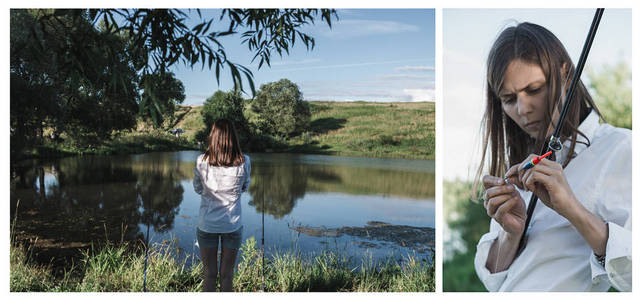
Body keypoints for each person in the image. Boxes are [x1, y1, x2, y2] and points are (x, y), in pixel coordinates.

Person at [473, 22, 631, 292]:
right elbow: (496, 282)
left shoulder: (621, 147)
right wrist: (512, 234)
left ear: (566, 75)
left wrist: (571, 207)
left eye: (534, 90)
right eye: (509, 99)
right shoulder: (523, 167)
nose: (523, 109)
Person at [193, 119, 251, 292]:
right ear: (233, 137)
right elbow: (244, 187)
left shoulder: (201, 161)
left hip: (207, 224)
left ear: (213, 137)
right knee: (227, 274)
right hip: (232, 224)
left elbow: (197, 188)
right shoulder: (245, 161)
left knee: (209, 273)